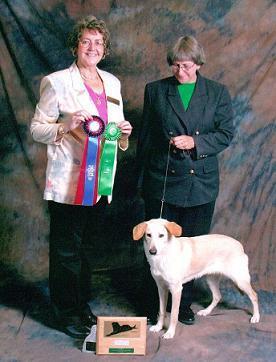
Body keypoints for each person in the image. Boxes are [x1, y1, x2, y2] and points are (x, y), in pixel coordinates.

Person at [30, 15, 132, 338]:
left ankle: (80, 304)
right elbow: (36, 128)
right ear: (75, 45)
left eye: (98, 43)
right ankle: (64, 311)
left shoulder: (112, 83)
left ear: (105, 49)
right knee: (66, 249)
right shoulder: (57, 81)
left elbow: (114, 128)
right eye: (86, 41)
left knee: (86, 248)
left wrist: (124, 132)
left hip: (101, 182)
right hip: (69, 182)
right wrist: (66, 124)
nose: (92, 47)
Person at [135, 35, 234, 325]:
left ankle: (184, 304)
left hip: (200, 183)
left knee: (191, 245)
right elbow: (147, 137)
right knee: (156, 246)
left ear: (199, 63)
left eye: (187, 65)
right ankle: (153, 305)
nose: (181, 72)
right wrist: (141, 181)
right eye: (176, 65)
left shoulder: (217, 92)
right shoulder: (155, 90)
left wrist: (195, 142)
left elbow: (226, 134)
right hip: (162, 179)